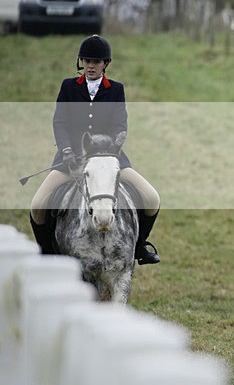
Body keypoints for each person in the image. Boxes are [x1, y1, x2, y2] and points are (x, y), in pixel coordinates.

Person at [29, 35, 161, 265]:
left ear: (105, 64)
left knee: (151, 198)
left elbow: (119, 125)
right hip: (70, 161)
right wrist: (67, 150)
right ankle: (47, 251)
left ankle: (139, 246)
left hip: (108, 160)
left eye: (96, 62)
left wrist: (110, 149)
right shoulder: (69, 87)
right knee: (38, 205)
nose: (90, 65)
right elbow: (60, 122)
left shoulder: (116, 90)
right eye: (87, 60)